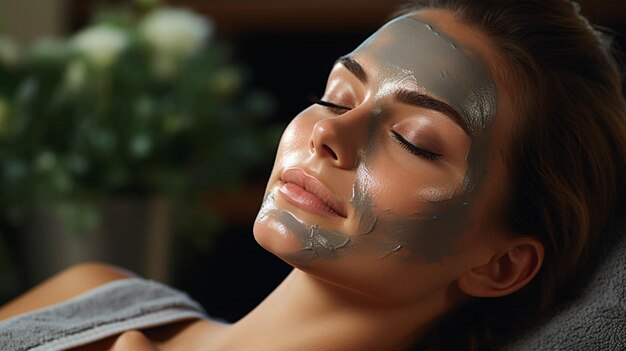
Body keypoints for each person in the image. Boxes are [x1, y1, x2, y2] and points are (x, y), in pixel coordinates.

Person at [1, 0, 625, 350]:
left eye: (414, 141)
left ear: (501, 265)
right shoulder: (94, 293)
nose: (328, 131)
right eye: (336, 95)